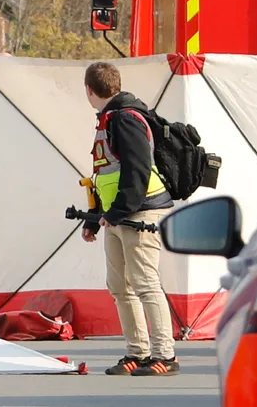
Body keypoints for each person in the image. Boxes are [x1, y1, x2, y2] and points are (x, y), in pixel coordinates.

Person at [82, 62, 178, 376]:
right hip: (119, 215)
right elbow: (108, 175)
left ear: (89, 90)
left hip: (140, 212)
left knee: (145, 284)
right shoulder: (110, 119)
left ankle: (165, 354)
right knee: (119, 286)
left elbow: (136, 171)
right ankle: (138, 351)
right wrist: (96, 218)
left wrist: (116, 213)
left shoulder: (124, 119)